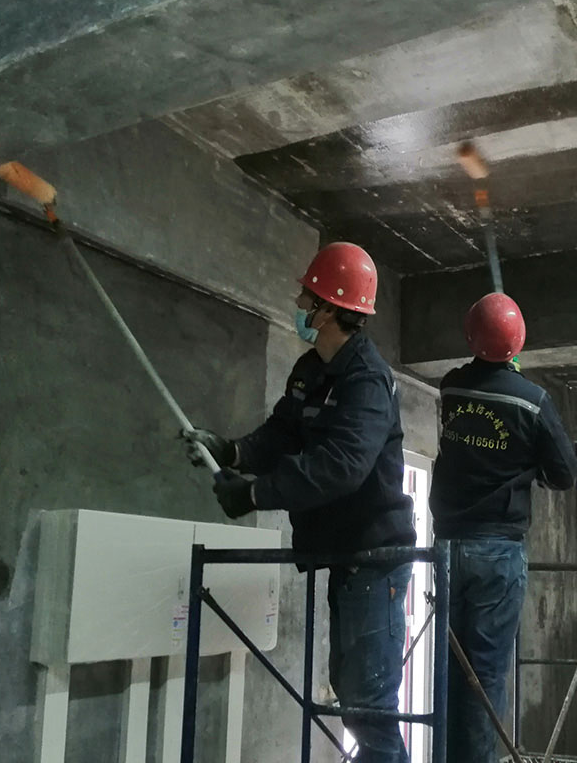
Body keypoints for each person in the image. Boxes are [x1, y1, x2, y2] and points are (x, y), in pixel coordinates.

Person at [183, 242, 416, 763]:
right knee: (353, 697)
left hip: (376, 560)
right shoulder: (311, 368)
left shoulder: (367, 380)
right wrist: (231, 451)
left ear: (328, 309)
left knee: (368, 706)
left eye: (307, 296)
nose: (299, 304)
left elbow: (342, 466)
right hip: (347, 557)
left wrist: (255, 494)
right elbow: (282, 433)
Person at [429, 292, 577, 763]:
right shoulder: (532, 402)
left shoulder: (451, 388)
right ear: (518, 344)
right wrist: (528, 466)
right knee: (485, 675)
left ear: (470, 336)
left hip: (447, 546)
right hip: (496, 550)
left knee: (449, 668)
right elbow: (565, 474)